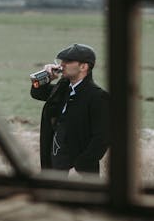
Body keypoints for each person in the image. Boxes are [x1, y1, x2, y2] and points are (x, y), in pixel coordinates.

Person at [30, 43, 109, 175]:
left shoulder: (98, 96)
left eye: (68, 61)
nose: (62, 65)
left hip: (80, 172)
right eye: (62, 61)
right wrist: (46, 76)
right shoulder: (62, 89)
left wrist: (81, 164)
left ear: (83, 66)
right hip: (54, 166)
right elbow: (37, 93)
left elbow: (102, 137)